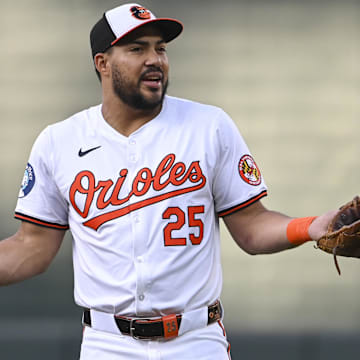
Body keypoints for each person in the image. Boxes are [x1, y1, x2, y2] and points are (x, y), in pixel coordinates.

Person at [1, 3, 337, 360]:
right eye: (137, 48)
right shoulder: (60, 142)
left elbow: (252, 226)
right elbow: (30, 248)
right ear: (102, 63)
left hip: (195, 340)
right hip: (107, 343)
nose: (155, 59)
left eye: (160, 48)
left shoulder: (208, 126)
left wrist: (311, 227)